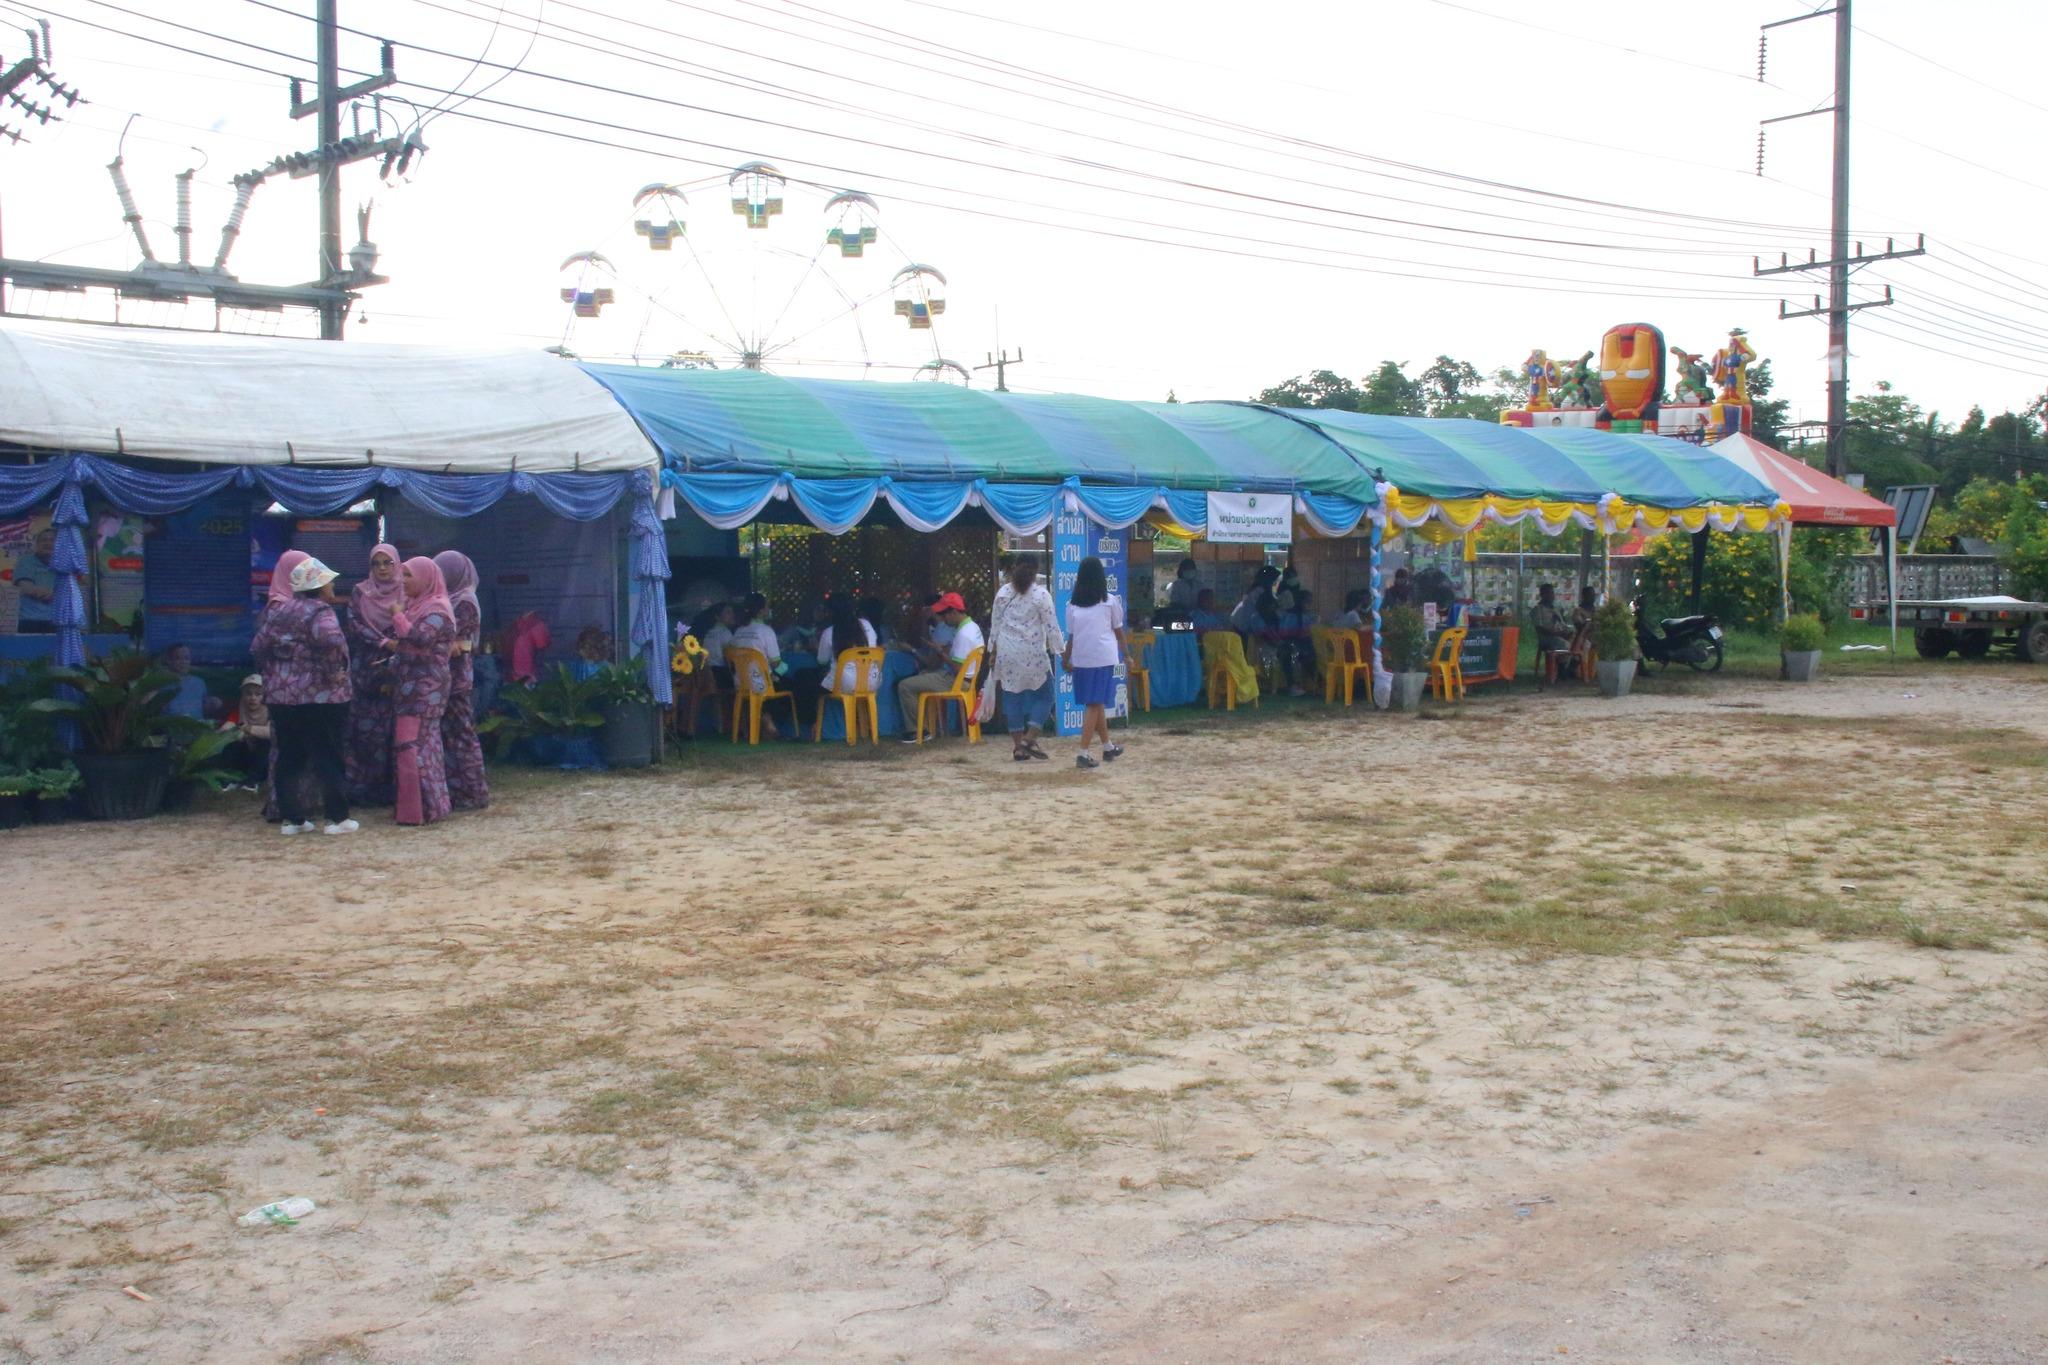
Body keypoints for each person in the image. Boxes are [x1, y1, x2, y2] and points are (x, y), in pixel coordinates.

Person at [248, 556, 356, 835]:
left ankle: (292, 819)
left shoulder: (280, 610)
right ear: (319, 586)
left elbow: (258, 646)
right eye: (329, 582)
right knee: (328, 755)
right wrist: (334, 672)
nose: (333, 586)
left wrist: (277, 671)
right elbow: (331, 641)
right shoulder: (320, 612)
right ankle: (336, 818)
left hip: (282, 699)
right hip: (320, 698)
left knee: (289, 757)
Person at [390, 557, 457, 826]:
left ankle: (417, 810)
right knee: (422, 744)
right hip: (412, 686)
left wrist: (398, 616)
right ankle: (427, 806)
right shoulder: (418, 606)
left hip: (425, 687)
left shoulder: (437, 610)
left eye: (408, 575)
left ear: (425, 578)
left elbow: (421, 638)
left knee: (411, 744)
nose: (403, 581)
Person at [345, 543, 406, 805]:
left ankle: (395, 788)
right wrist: (383, 642)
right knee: (365, 730)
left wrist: (397, 642)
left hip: (399, 666)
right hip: (367, 669)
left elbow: (414, 621)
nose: (382, 569)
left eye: (387, 563)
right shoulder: (361, 592)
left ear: (397, 564)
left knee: (397, 728)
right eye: (376, 564)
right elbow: (353, 624)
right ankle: (364, 788)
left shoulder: (407, 589)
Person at [988, 555, 1062, 761]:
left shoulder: (1003, 593)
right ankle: (1028, 740)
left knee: (1012, 698)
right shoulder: (1041, 595)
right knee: (1046, 695)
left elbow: (995, 625)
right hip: (1033, 653)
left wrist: (992, 651)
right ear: (1036, 570)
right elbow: (1052, 626)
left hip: (1007, 652)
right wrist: (1060, 651)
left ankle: (1018, 748)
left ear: (1014, 567)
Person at [433, 550, 490, 812]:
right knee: (451, 735)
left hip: (457, 678)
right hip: (446, 676)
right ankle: (457, 791)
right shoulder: (449, 599)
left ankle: (472, 791)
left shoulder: (465, 601)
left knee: (461, 735)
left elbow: (457, 641)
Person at [1062, 556, 1126, 769]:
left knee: (1096, 702)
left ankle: (1107, 746)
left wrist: (1065, 658)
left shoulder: (1072, 605)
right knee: (1094, 703)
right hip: (1102, 657)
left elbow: (1071, 637)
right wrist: (1127, 655)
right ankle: (1083, 752)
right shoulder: (1109, 601)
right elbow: (1119, 632)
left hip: (1082, 658)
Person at [897, 591, 982, 743]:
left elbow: (957, 667)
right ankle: (923, 729)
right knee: (921, 677)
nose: (942, 619)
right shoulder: (973, 627)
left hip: (956, 680)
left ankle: (918, 731)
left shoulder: (963, 634)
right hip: (967, 679)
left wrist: (941, 653)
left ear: (954, 612)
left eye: (944, 615)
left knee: (905, 686)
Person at [816, 593, 878, 693]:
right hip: (871, 683)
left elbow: (822, 661)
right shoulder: (866, 624)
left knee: (811, 679)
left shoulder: (829, 633)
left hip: (845, 685)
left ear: (831, 613)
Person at [11, 527, 57, 633]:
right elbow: (26, 587)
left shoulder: (65, 565)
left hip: (58, 622)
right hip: (30, 621)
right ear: (37, 544)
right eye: (44, 540)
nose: (48, 543)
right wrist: (53, 593)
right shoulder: (26, 561)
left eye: (52, 540)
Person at [161, 643, 215, 721]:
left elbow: (204, 707)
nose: (183, 662)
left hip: (197, 725)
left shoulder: (199, 682)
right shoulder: (160, 682)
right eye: (178, 658)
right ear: (169, 660)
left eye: (186, 658)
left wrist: (213, 703)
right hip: (170, 726)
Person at [503, 610, 551, 686]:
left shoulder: (513, 625)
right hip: (526, 674)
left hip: (511, 673)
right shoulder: (535, 624)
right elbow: (543, 644)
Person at [1533, 583, 1574, 658]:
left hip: (1560, 635)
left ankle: (1575, 663)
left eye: (1552, 593)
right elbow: (1540, 628)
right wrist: (1557, 633)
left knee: (1579, 643)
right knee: (1566, 645)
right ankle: (1563, 664)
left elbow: (1562, 624)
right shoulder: (1538, 609)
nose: (1551, 595)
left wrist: (1567, 632)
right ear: (1542, 595)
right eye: (1548, 593)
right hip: (1547, 638)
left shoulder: (1555, 609)